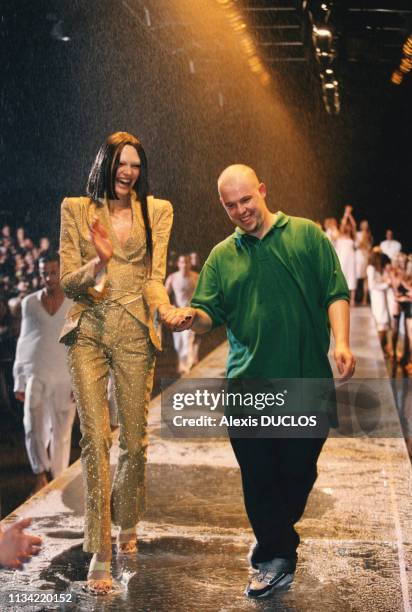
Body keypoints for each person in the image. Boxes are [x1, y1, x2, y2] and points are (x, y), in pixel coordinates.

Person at [163, 164, 355, 599]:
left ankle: (275, 536)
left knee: (298, 473)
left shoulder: (306, 235)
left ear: (262, 190)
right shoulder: (221, 256)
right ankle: (273, 557)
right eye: (231, 205)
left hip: (306, 383)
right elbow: (210, 312)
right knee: (258, 475)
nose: (241, 210)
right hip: (248, 386)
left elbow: (335, 292)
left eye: (246, 200)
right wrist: (191, 318)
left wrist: (341, 342)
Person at [59, 131, 174, 594]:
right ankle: (100, 550)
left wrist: (166, 308)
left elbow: (155, 277)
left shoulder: (157, 210)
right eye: (122, 164)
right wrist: (98, 263)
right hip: (87, 329)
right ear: (105, 164)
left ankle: (127, 519)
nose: (129, 173)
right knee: (93, 439)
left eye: (136, 166)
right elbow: (69, 281)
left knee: (134, 438)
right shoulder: (76, 209)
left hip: (134, 332)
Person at [13, 252, 75, 491]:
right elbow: (24, 340)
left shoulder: (74, 303)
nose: (48, 278)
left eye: (52, 273)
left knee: (61, 432)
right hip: (35, 373)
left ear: (61, 272)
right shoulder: (29, 303)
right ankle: (39, 473)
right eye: (44, 274)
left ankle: (58, 479)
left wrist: (81, 382)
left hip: (65, 376)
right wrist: (19, 379)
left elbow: (82, 343)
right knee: (32, 423)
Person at [165, 254, 200, 373]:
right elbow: (164, 295)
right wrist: (168, 308)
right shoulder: (172, 278)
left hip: (191, 314)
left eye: (187, 262)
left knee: (187, 340)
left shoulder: (196, 277)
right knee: (178, 344)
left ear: (190, 263)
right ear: (178, 264)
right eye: (182, 262)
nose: (185, 265)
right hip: (176, 314)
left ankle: (187, 368)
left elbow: (204, 294)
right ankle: (190, 358)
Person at [366, 252, 391, 354]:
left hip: (380, 296)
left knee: (384, 322)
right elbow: (372, 285)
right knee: (381, 321)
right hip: (377, 296)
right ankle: (380, 348)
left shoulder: (376, 269)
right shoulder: (371, 268)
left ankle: (383, 348)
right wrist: (386, 285)